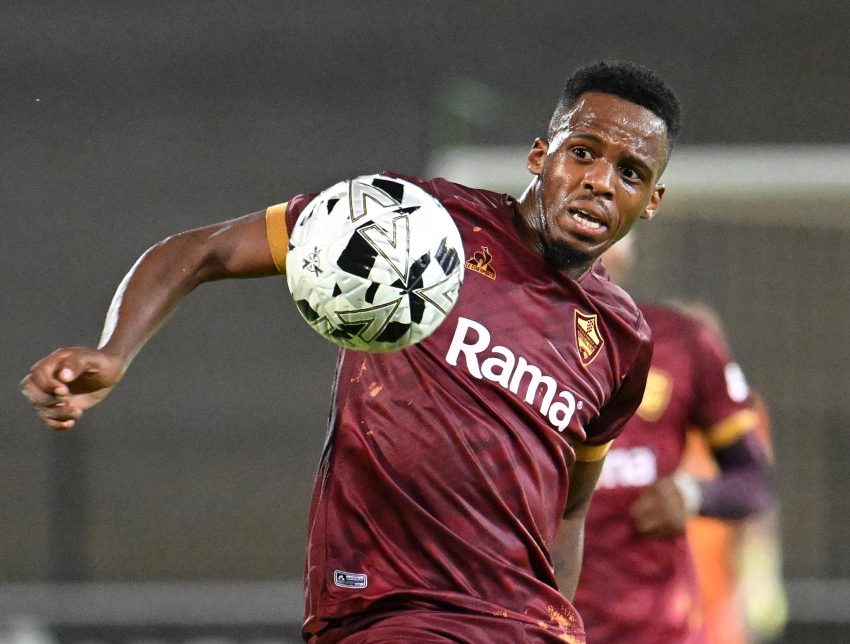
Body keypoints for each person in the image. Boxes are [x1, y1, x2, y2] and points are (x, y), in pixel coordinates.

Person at [21, 61, 680, 643]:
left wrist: (555, 621)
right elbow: (206, 251)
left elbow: (569, 510)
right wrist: (115, 351)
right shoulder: (411, 222)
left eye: (629, 173)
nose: (600, 181)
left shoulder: (622, 339)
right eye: (583, 153)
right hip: (396, 611)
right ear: (540, 155)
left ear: (650, 201)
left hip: (524, 626)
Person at [567, 236, 773, 643]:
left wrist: (691, 494)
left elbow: (753, 481)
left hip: (658, 628)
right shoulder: (511, 340)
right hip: (539, 620)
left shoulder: (684, 341)